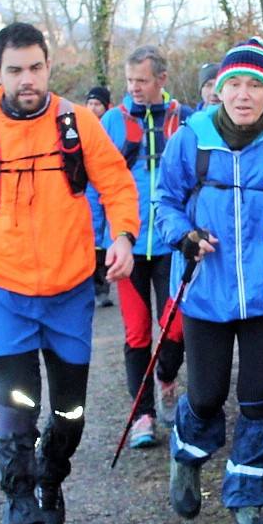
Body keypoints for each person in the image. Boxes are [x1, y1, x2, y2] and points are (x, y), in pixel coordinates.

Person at [0, 23, 140, 524]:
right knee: (15, 415)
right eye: (15, 70)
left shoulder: (78, 125)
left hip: (70, 294)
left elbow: (118, 184)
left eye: (35, 68)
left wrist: (123, 235)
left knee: (69, 414)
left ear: (49, 67)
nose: (26, 80)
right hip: (4, 296)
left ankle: (51, 477)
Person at [155, 38, 263, 524]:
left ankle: (247, 499)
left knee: (257, 400)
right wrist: (184, 235)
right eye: (234, 85)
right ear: (219, 91)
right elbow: (165, 202)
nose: (244, 95)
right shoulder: (190, 139)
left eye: (255, 86)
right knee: (205, 396)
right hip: (206, 293)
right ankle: (188, 456)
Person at [98, 47, 189, 448]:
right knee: (137, 332)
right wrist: (96, 240)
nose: (134, 88)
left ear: (161, 80)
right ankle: (143, 416)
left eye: (143, 81)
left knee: (176, 327)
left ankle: (167, 377)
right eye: (130, 80)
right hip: (127, 245)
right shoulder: (111, 123)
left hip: (172, 243)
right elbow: (93, 184)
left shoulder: (185, 121)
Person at [84, 84, 115, 308]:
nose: (93, 108)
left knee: (106, 242)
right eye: (91, 103)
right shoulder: (78, 128)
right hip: (86, 194)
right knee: (90, 243)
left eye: (98, 104)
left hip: (105, 190)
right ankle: (94, 288)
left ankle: (104, 286)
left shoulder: (111, 128)